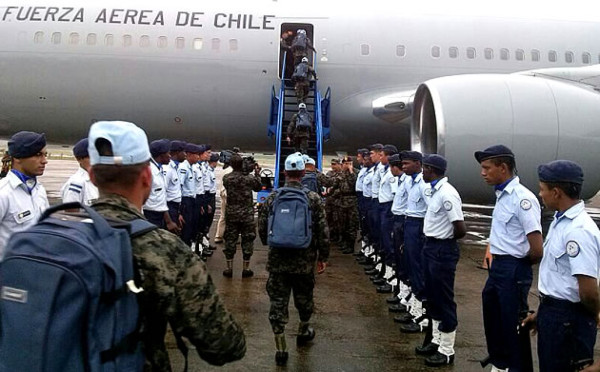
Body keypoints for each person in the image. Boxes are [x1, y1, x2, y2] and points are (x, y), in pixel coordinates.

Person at [86, 120, 246, 369]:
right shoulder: (165, 250)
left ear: (92, 176)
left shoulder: (47, 239)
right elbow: (224, 345)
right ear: (147, 177)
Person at [521, 160, 600, 372]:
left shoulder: (578, 230)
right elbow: (562, 279)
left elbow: (589, 292)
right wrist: (543, 314)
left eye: (542, 189)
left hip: (568, 323)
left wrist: (589, 317)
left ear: (556, 193)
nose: (540, 194)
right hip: (556, 315)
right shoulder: (560, 221)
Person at [474, 144, 543, 372]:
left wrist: (517, 268)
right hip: (499, 267)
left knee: (514, 327)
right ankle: (500, 365)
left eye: (487, 168)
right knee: (494, 321)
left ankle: (516, 368)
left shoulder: (523, 199)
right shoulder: (502, 195)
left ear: (503, 168)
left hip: (514, 268)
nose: (482, 173)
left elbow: (536, 249)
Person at [257, 152, 329, 366]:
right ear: (302, 172)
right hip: (304, 260)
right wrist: (322, 256)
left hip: (278, 261)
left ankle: (281, 349)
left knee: (278, 303)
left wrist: (270, 243)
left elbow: (262, 227)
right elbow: (322, 231)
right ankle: (303, 330)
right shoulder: (313, 199)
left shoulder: (273, 197)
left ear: (286, 172)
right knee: (304, 298)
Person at [417, 154, 466, 367]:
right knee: (433, 297)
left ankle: (447, 349)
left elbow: (460, 229)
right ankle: (436, 340)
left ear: (433, 169)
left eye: (425, 168)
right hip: (431, 247)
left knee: (444, 299)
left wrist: (444, 242)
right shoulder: (435, 190)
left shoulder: (447, 194)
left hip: (442, 250)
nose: (422, 171)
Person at [0, 131, 49, 260]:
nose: (45, 161)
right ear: (17, 158)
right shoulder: (4, 193)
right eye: (38, 155)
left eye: (45, 155)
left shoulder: (39, 190)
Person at [398, 150, 429, 334]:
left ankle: (421, 315)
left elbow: (431, 210)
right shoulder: (410, 181)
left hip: (418, 227)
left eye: (407, 164)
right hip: (409, 224)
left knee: (418, 270)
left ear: (418, 163)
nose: (403, 167)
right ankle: (414, 308)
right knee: (410, 266)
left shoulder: (423, 185)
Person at [222, 153, 262, 278]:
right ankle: (246, 268)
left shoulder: (226, 178)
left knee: (230, 239)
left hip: (232, 214)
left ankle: (229, 268)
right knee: (248, 239)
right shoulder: (249, 178)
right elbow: (258, 187)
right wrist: (256, 173)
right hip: (246, 214)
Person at [373, 144, 398, 293]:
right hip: (382, 207)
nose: (380, 157)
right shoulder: (386, 171)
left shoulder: (392, 175)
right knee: (383, 241)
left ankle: (391, 279)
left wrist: (391, 214)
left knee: (389, 245)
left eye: (382, 155)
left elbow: (395, 196)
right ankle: (385, 273)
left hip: (388, 209)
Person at [143, 139, 179, 234]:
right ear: (161, 155)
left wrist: (168, 221)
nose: (170, 156)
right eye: (168, 153)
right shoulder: (149, 172)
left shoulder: (158, 169)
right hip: (149, 216)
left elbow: (160, 200)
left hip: (159, 216)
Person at [331, 156, 359, 254]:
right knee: (344, 223)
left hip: (352, 201)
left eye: (349, 163)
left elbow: (354, 184)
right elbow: (335, 185)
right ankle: (345, 242)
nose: (346, 165)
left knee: (352, 224)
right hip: (343, 201)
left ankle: (351, 245)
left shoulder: (356, 173)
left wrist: (351, 171)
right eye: (345, 163)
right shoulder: (341, 174)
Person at [60, 138, 99, 207]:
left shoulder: (101, 180)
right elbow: (71, 213)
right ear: (79, 159)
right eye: (91, 157)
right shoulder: (76, 183)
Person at [179, 143, 202, 246]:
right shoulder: (183, 168)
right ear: (188, 154)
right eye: (196, 154)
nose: (198, 157)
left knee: (191, 227)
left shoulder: (190, 167)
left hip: (192, 201)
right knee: (186, 229)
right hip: (185, 202)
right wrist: (179, 211)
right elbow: (179, 187)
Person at [165, 140, 186, 232]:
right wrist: (168, 219)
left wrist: (179, 213)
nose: (185, 154)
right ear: (177, 152)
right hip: (169, 207)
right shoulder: (168, 168)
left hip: (176, 207)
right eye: (184, 152)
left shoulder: (177, 167)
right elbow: (163, 193)